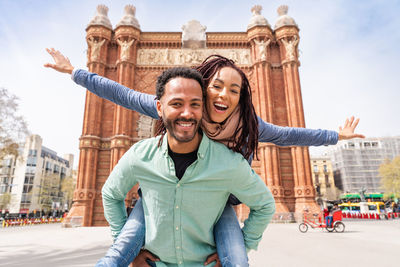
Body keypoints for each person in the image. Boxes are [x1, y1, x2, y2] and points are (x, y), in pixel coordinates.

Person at [44, 48, 364, 267]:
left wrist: (336, 136)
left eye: (234, 90)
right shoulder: (178, 104)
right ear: (205, 88)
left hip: (219, 199)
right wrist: (74, 72)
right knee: (119, 252)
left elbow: (288, 135)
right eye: (217, 86)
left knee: (236, 259)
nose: (224, 94)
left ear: (241, 97)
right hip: (161, 191)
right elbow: (122, 94)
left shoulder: (247, 124)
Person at [101, 66, 275, 266]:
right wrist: (131, 250)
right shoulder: (140, 155)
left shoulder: (227, 163)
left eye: (195, 104)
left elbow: (265, 205)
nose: (186, 113)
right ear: (159, 107)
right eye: (176, 104)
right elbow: (110, 194)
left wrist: (240, 248)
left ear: (203, 108)